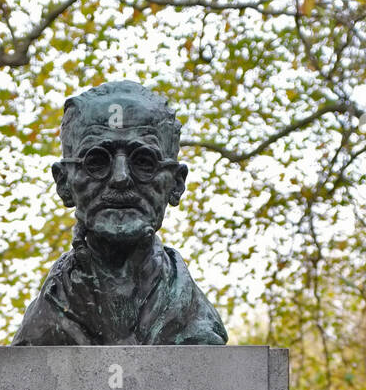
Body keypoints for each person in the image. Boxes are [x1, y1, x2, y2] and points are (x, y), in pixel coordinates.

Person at [12, 81, 228, 347]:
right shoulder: (43, 326)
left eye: (144, 162)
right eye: (97, 161)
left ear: (176, 184)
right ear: (64, 183)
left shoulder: (196, 324)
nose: (121, 178)